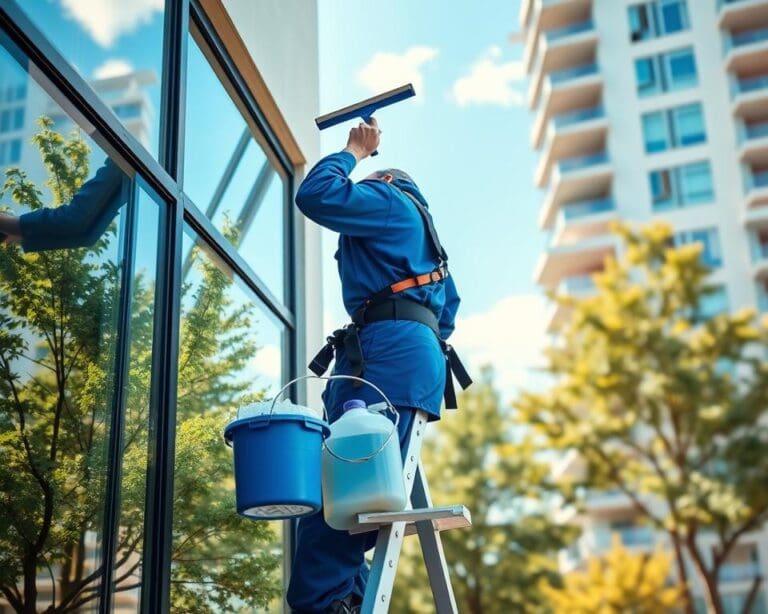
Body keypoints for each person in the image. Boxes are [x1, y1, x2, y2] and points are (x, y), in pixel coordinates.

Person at [287, 118, 470, 613]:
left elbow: (317, 195)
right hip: (399, 359)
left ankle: (325, 604)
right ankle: (345, 597)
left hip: (385, 358)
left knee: (342, 503)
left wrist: (353, 151)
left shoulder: (389, 201)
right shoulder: (428, 247)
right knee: (354, 497)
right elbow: (446, 314)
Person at [0, 158, 127, 252]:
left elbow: (77, 222)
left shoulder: (127, 156)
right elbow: (85, 233)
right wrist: (17, 231)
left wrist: (16, 228)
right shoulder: (128, 164)